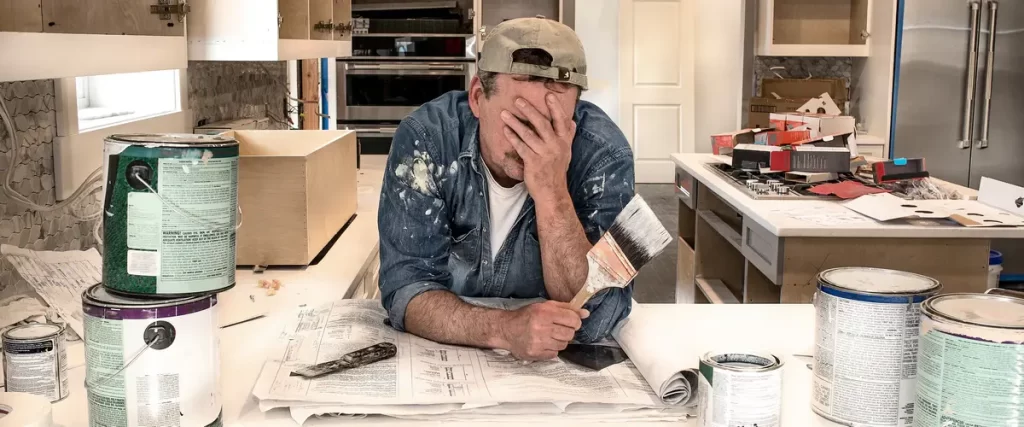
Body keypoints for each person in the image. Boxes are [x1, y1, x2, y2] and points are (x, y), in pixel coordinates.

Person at [377, 17, 635, 361]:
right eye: (521, 122)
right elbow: (406, 290)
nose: (536, 144)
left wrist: (552, 190)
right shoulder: (426, 140)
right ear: (477, 98)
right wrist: (503, 329)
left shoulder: (605, 155)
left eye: (555, 123)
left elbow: (599, 316)